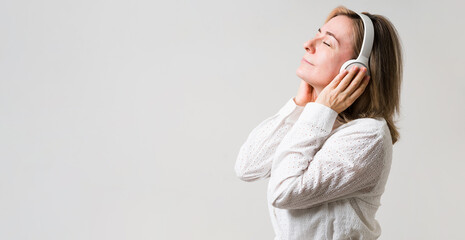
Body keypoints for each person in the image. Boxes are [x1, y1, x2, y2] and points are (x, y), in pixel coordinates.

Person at [234, 5, 403, 240]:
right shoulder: (315, 120)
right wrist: (299, 105)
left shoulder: (368, 135)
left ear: (356, 69)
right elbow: (247, 166)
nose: (308, 44)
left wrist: (321, 109)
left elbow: (283, 191)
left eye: (327, 43)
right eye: (318, 33)